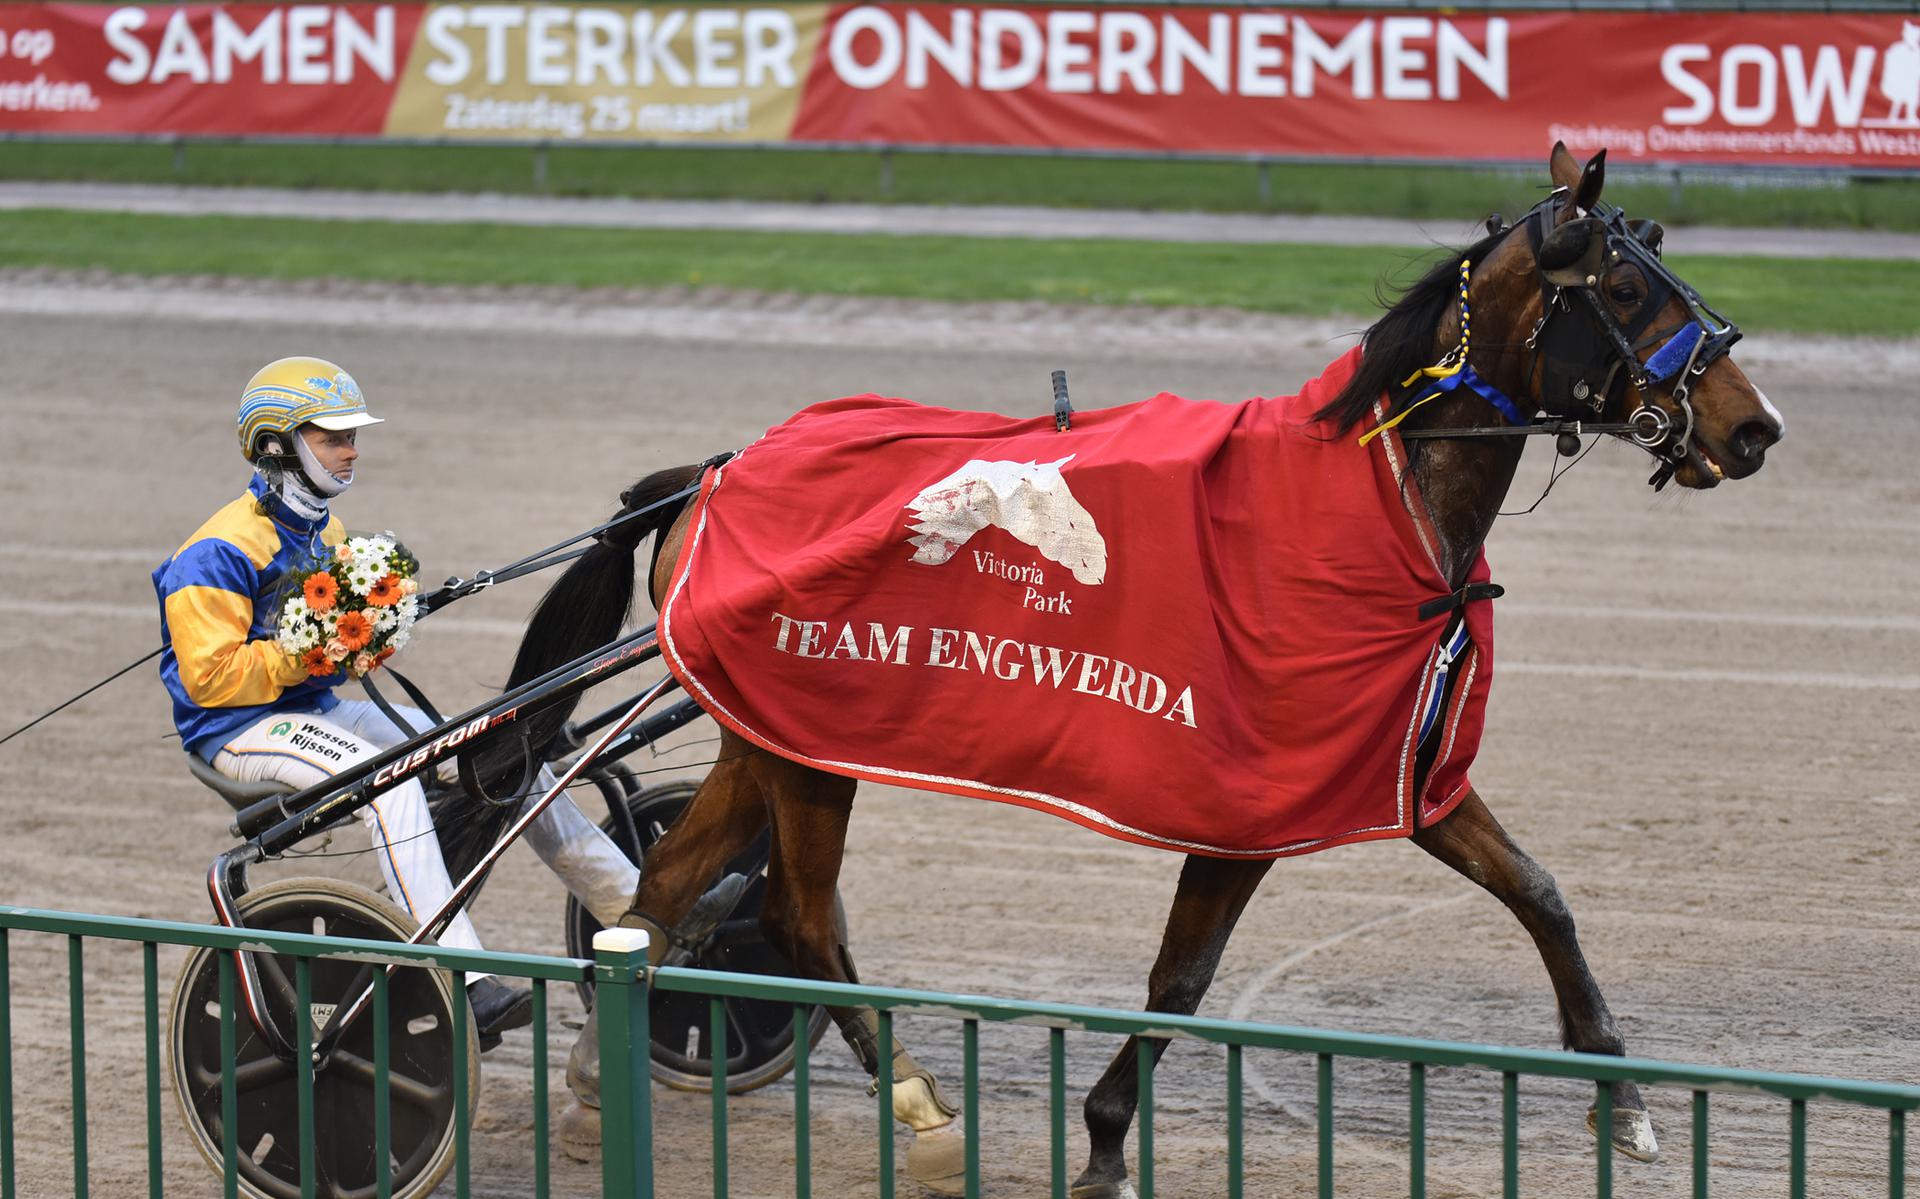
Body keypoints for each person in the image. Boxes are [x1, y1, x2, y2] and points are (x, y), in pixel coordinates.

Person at [153, 356, 644, 1049]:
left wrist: (370, 636)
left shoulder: (326, 531)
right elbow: (212, 680)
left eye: (353, 436)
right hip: (235, 732)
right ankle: (464, 977)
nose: (351, 450)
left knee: (495, 746)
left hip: (311, 713)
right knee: (390, 787)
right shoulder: (215, 552)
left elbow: (334, 653)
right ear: (275, 444)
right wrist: (316, 651)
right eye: (333, 437)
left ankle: (633, 905)